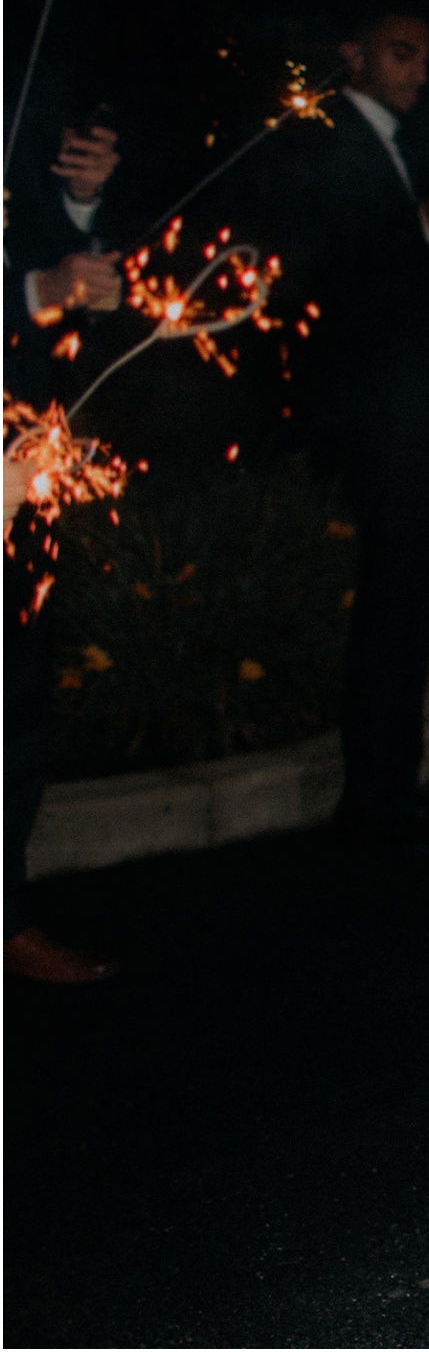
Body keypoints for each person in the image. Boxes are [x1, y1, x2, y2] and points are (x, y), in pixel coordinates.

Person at [266, 8, 429, 844]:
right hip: (379, 401)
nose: (417, 73)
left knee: (414, 590)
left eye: (425, 58)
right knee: (394, 590)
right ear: (353, 51)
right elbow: (342, 272)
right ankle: (375, 793)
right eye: (402, 53)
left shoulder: (403, 146)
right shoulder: (322, 140)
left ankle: (392, 778)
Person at [4, 118, 126, 983]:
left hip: (17, 461)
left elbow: (42, 257)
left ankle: (7, 920)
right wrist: (39, 287)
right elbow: (32, 284)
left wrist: (80, 208)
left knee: (15, 696)